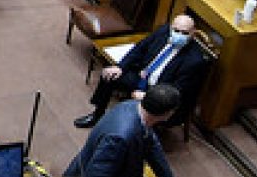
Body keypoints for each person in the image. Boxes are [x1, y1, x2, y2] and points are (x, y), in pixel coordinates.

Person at [74, 15, 209, 130]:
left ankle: (131, 134)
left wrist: (148, 96)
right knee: (109, 75)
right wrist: (120, 67)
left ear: (193, 33)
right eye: (176, 30)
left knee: (139, 117)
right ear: (171, 27)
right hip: (142, 77)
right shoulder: (163, 32)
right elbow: (140, 48)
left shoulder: (194, 60)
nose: (179, 35)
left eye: (184, 33)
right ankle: (97, 114)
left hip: (160, 94)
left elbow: (177, 91)